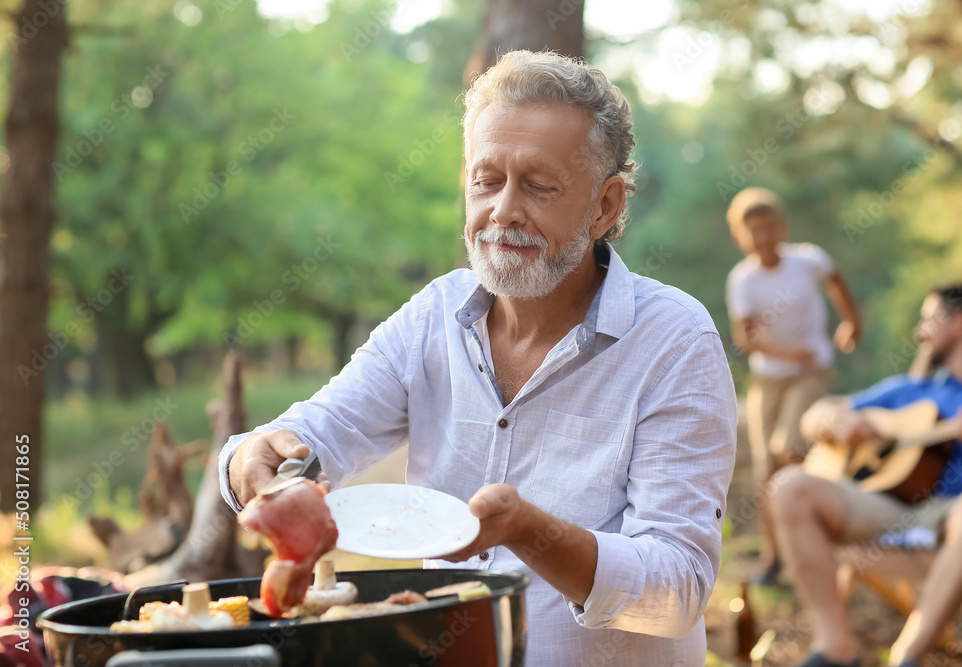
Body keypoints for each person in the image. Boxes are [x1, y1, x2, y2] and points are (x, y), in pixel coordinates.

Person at [219, 50, 737, 666]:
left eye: (540, 186)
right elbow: (310, 435)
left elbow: (675, 593)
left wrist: (527, 530)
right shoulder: (432, 317)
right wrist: (253, 464)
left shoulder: (675, 342)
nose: (503, 211)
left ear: (605, 207)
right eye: (486, 182)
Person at [771, 283, 962, 667]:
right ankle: (836, 648)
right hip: (892, 507)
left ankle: (906, 656)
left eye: (927, 320)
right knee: (789, 486)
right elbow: (817, 414)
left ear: (959, 323)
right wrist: (838, 423)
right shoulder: (909, 389)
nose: (918, 332)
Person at [724, 187, 861, 586]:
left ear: (781, 227)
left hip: (811, 371)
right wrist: (785, 352)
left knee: (789, 449)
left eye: (769, 228)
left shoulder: (808, 259)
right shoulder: (743, 279)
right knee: (766, 467)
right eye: (754, 231)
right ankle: (776, 555)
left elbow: (838, 283)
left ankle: (816, 540)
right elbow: (747, 337)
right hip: (769, 376)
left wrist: (851, 322)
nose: (763, 237)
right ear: (740, 237)